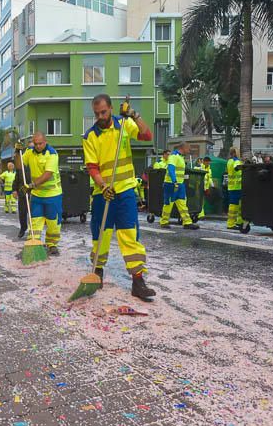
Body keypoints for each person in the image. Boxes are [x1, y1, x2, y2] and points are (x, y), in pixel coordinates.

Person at [83, 94, 155, 300]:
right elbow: (92, 167)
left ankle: (138, 282)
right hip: (102, 194)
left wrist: (134, 114)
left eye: (104, 112)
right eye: (96, 114)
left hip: (125, 192)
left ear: (111, 109)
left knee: (129, 235)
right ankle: (97, 273)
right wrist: (103, 185)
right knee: (101, 236)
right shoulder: (90, 136)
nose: (100, 116)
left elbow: (147, 135)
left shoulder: (124, 124)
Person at [14, 132, 62, 256]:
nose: (38, 146)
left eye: (40, 143)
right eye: (36, 144)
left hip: (52, 195)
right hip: (37, 195)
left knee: (53, 222)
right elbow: (19, 166)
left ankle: (52, 244)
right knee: (35, 221)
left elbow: (48, 174)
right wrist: (17, 153)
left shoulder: (52, 154)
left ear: (45, 142)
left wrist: (31, 185)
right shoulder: (30, 152)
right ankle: (33, 244)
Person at [160, 142, 200, 230]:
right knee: (169, 204)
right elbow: (171, 169)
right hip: (171, 184)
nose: (189, 151)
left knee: (182, 203)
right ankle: (164, 221)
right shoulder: (173, 156)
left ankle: (187, 222)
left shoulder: (180, 157)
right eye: (188, 149)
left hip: (179, 184)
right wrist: (174, 181)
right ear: (183, 148)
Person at [226, 146, 243, 230]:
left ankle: (239, 222)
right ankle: (231, 224)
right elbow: (236, 168)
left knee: (239, 205)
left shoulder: (229, 161)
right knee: (234, 206)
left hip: (233, 187)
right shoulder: (236, 161)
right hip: (236, 187)